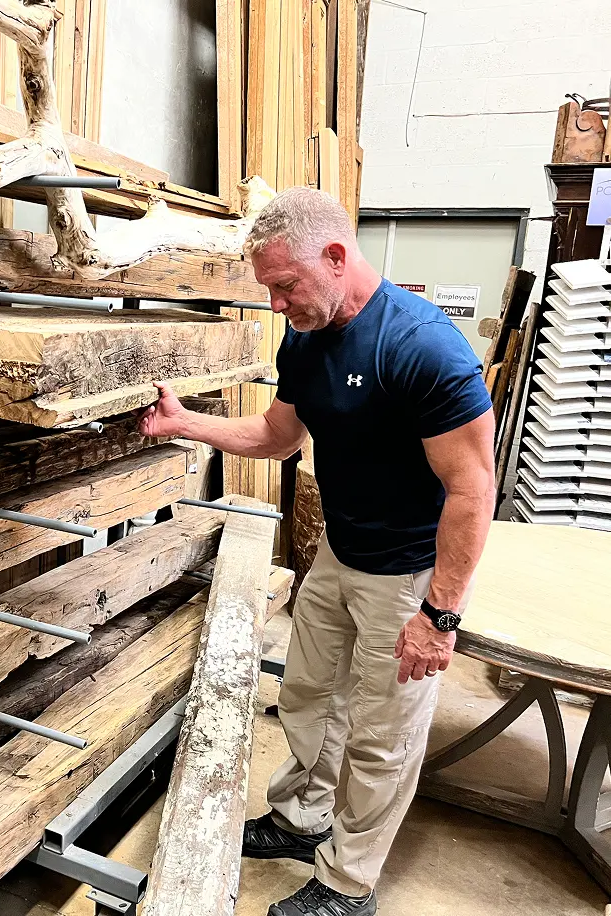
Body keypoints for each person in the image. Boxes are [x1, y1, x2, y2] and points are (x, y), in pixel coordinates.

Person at [138, 187, 496, 916]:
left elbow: (473, 489)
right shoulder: (305, 336)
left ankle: (348, 883)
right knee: (307, 695)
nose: (276, 303)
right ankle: (302, 820)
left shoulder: (422, 346)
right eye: (269, 289)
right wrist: (187, 424)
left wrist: (440, 615)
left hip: (407, 570)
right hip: (340, 550)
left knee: (381, 735)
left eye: (284, 285)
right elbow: (276, 437)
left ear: (337, 257)